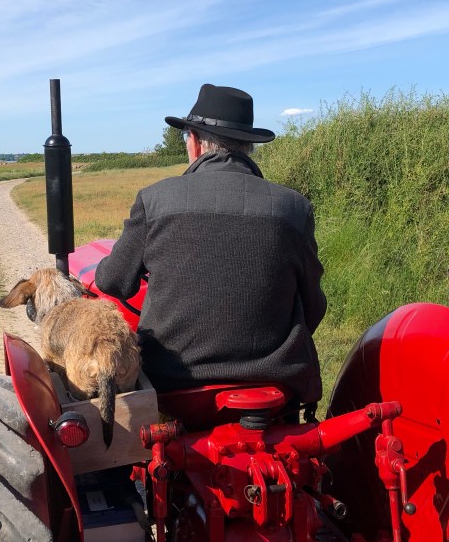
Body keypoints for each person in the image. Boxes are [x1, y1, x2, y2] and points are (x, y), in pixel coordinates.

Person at [94, 83, 327, 410]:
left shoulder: (155, 199)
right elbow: (314, 305)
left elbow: (113, 282)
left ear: (194, 141)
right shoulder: (294, 208)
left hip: (172, 384)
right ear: (248, 146)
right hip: (274, 386)